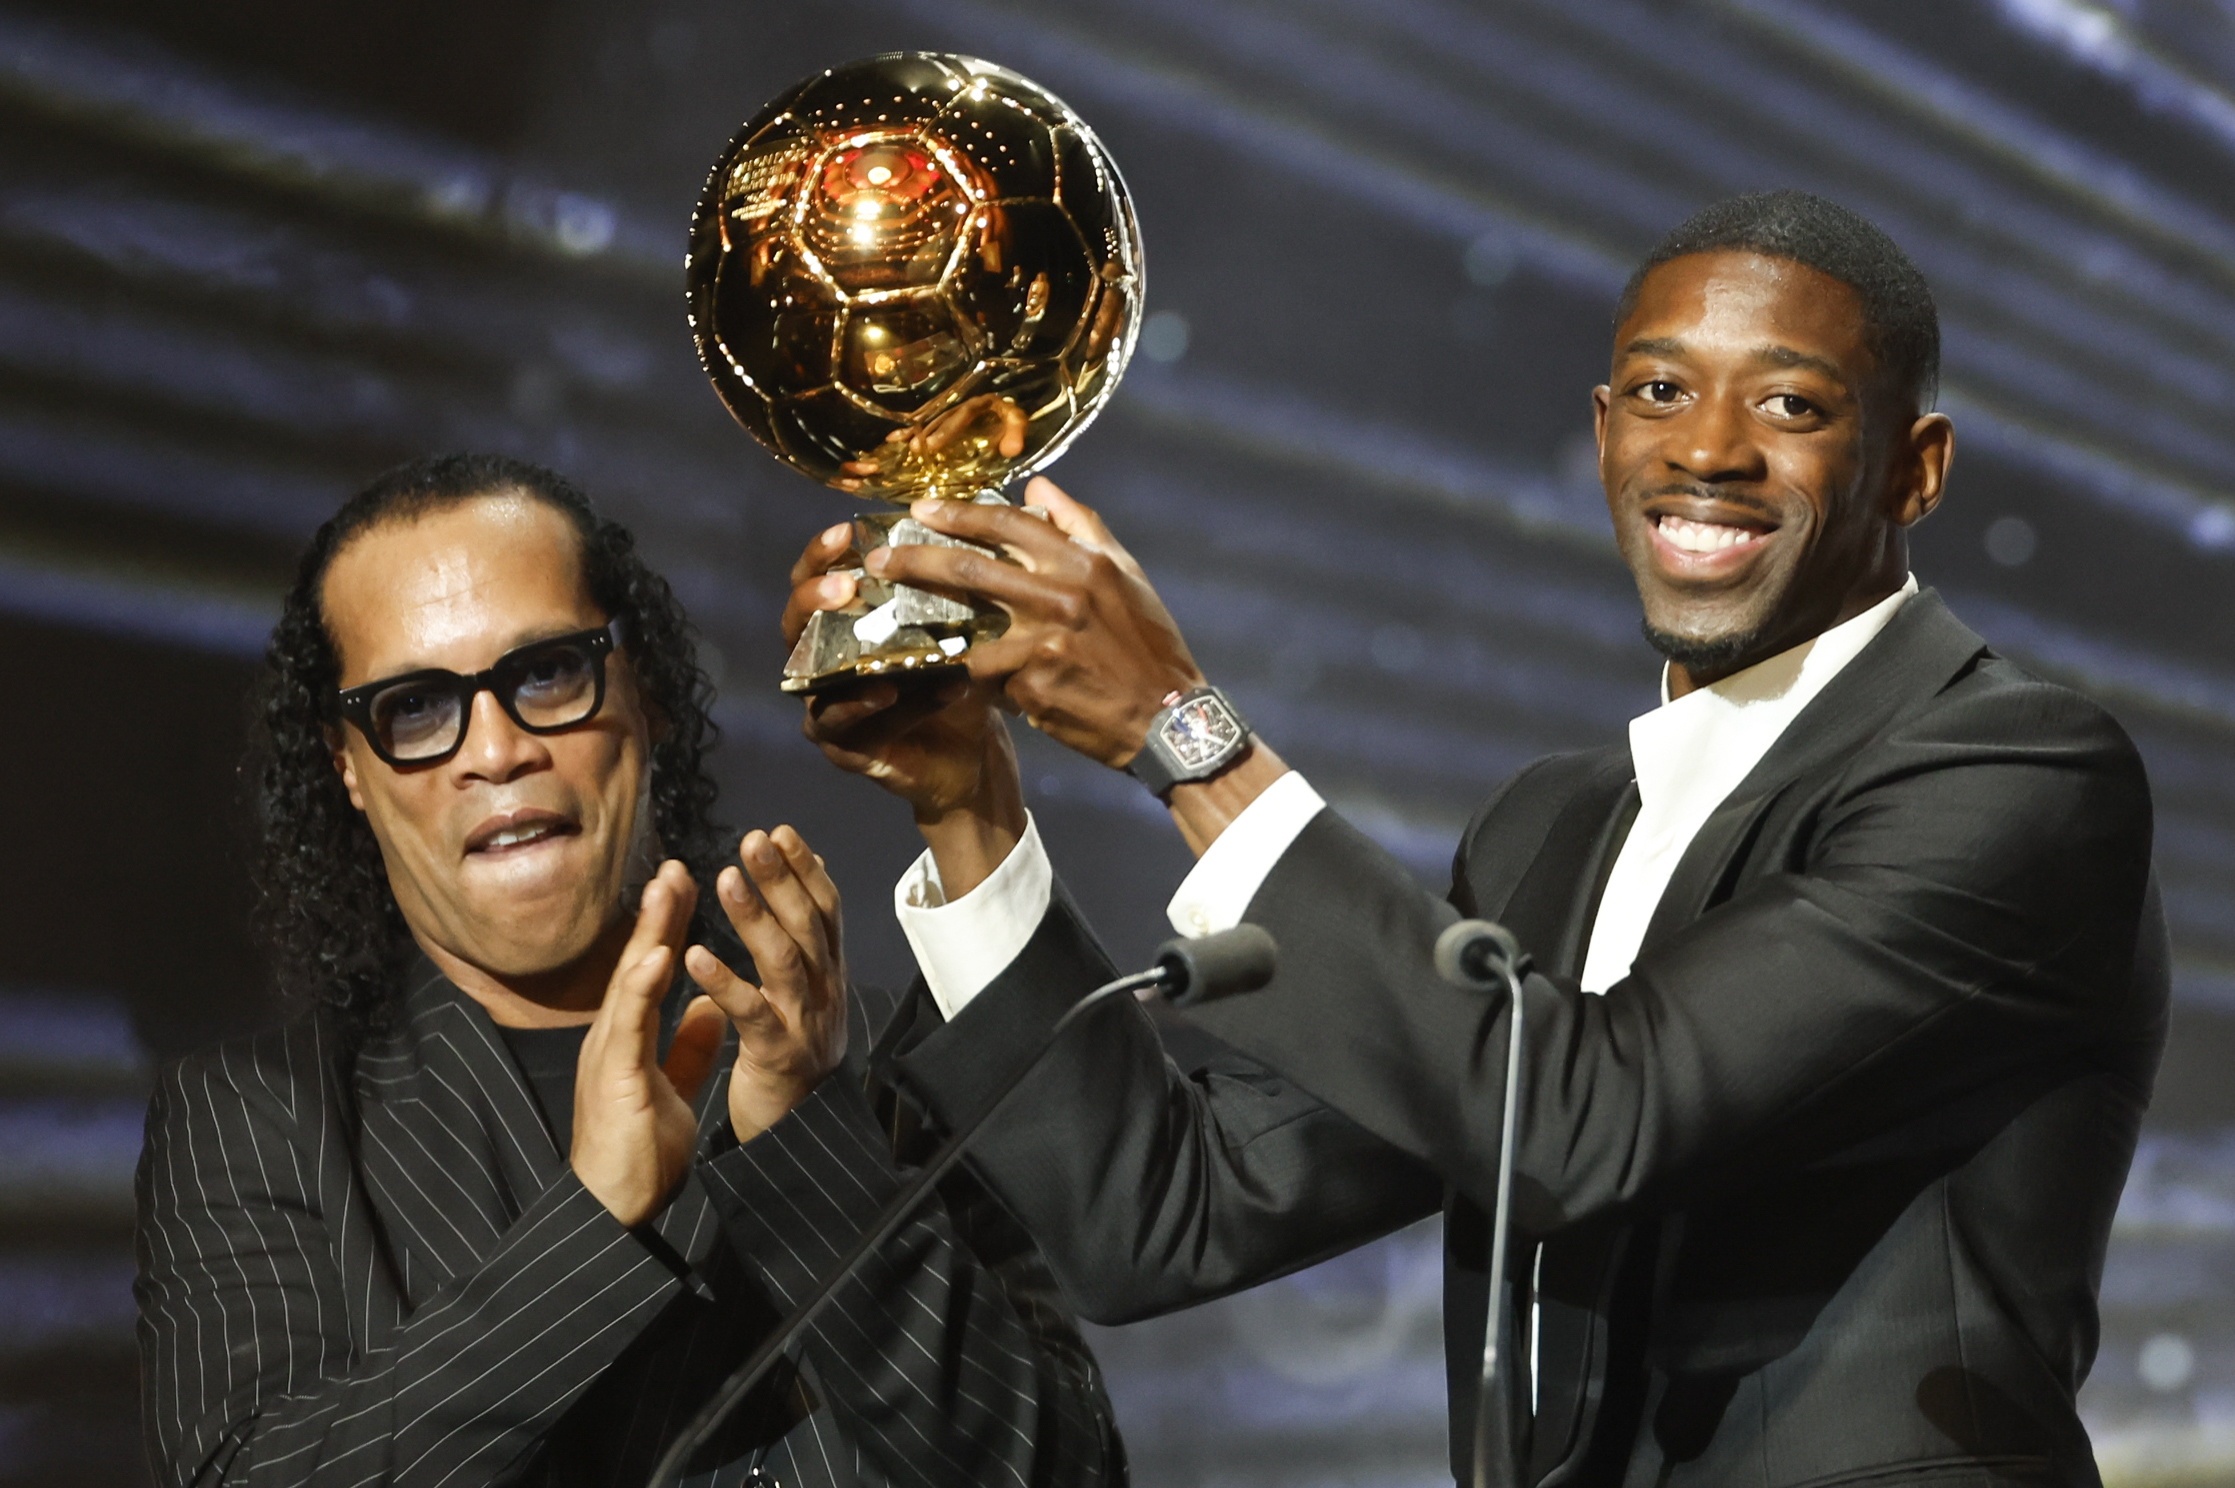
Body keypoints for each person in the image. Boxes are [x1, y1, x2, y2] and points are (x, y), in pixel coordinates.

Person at [786, 193, 2167, 1484]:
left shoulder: (2016, 773)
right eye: (1658, 392)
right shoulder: (1547, 829)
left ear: (1915, 470)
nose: (1706, 449)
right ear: (1602, 430)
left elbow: (1589, 1123)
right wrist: (966, 805)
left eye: (1790, 404)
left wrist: (1183, 732)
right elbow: (1162, 1214)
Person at [133, 454, 1124, 1487]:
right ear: (348, 766)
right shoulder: (255, 1116)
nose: (496, 751)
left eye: (545, 673)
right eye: (416, 706)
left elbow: (1071, 1472)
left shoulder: (890, 1059)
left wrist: (810, 1147)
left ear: (643, 691)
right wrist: (597, 1218)